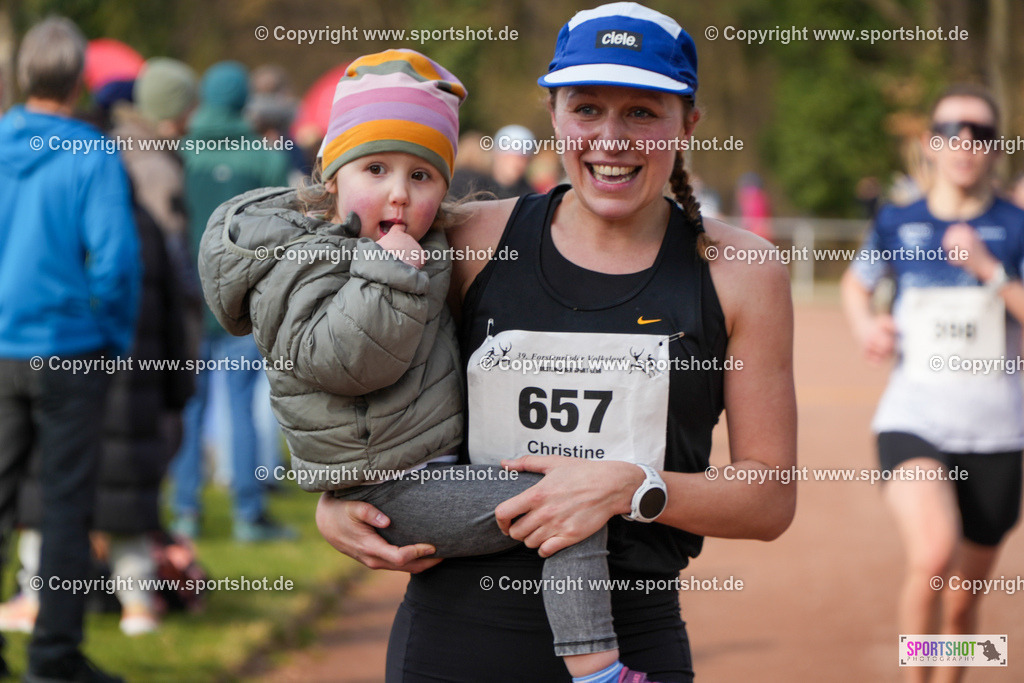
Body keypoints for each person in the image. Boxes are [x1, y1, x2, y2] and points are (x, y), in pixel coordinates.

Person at [315, 4, 797, 682]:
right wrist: (334, 501)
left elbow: (769, 497)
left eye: (642, 113)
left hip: (629, 646)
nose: (611, 138)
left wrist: (631, 486)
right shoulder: (469, 241)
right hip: (455, 639)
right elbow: (355, 376)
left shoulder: (741, 272)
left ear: (688, 123)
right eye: (587, 108)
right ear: (553, 114)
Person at [199, 47, 652, 682]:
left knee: (561, 499)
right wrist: (391, 273)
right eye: (375, 168)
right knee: (565, 509)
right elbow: (342, 361)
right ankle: (600, 671)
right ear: (330, 174)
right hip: (390, 487)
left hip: (420, 472)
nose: (399, 192)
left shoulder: (410, 244)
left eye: (421, 175)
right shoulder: (306, 260)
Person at [842, 84, 1024, 683]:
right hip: (914, 419)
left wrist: (990, 271)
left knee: (965, 604)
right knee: (933, 555)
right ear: (930, 142)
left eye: (980, 133)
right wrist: (867, 326)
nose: (964, 143)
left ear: (995, 148)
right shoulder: (898, 221)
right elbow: (856, 284)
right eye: (950, 130)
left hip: (999, 436)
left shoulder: (1017, 227)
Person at [0, 16, 140, 683]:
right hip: (69, 347)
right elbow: (116, 261)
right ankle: (54, 656)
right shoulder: (91, 152)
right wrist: (112, 334)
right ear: (80, 80)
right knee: (64, 507)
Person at [171, 60, 294, 542]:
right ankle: (248, 513)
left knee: (190, 408)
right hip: (243, 302)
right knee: (242, 408)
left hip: (188, 301)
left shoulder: (181, 152)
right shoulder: (266, 157)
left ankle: (186, 511)